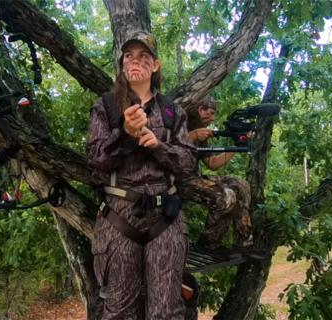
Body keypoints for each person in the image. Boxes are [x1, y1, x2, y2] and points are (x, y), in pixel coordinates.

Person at [86, 31, 196, 319]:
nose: (135, 61)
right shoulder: (106, 107)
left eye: (143, 56)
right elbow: (96, 161)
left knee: (167, 312)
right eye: (129, 56)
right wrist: (126, 135)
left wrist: (158, 146)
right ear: (122, 63)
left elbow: (187, 164)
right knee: (119, 309)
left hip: (166, 217)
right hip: (118, 216)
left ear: (155, 65)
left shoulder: (173, 111)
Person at [177, 96, 254, 259]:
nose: (210, 118)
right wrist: (192, 136)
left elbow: (212, 163)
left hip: (194, 177)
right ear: (198, 109)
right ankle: (209, 244)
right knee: (225, 196)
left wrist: (238, 146)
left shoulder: (201, 133)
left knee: (240, 185)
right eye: (208, 112)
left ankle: (244, 244)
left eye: (213, 114)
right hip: (176, 181)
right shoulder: (177, 124)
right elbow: (165, 147)